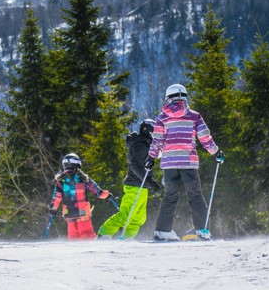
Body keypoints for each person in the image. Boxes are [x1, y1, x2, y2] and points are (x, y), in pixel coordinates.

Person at [145, 84, 224, 241]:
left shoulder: (162, 117)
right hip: (188, 162)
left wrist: (151, 158)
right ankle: (202, 229)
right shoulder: (194, 116)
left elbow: (157, 141)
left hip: (169, 164)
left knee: (169, 196)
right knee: (195, 195)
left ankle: (162, 231)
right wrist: (216, 152)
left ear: (168, 98)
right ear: (185, 97)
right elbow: (204, 137)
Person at [96, 119, 161, 239]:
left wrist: (150, 182)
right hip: (134, 185)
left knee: (138, 218)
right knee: (126, 215)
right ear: (148, 131)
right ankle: (103, 234)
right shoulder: (140, 145)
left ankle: (127, 237)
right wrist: (149, 181)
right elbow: (135, 164)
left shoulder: (146, 144)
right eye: (155, 131)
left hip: (142, 187)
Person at [48, 152, 112, 240]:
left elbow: (57, 197)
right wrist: (106, 195)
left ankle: (74, 249)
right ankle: (89, 245)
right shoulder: (83, 178)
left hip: (69, 213)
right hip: (83, 212)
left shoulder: (61, 181)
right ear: (78, 164)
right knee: (86, 232)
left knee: (73, 235)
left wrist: (53, 208)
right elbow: (96, 191)